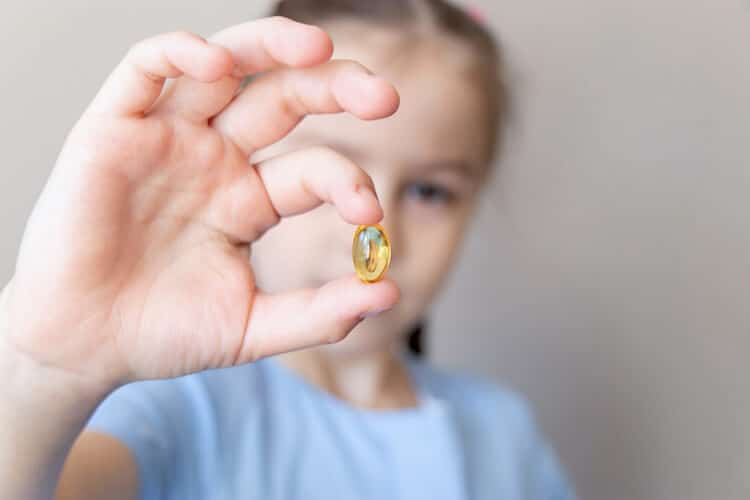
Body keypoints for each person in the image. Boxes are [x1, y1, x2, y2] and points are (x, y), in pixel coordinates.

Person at [0, 1, 577, 499]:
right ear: (247, 166)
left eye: (430, 191)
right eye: (333, 174)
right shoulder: (176, 409)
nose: (376, 230)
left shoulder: (504, 432)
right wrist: (43, 373)